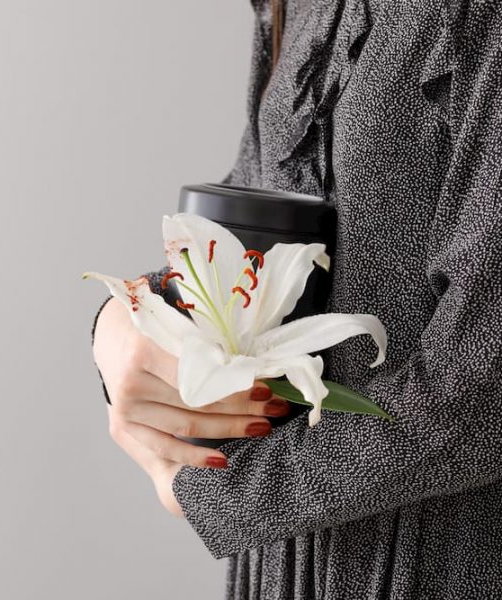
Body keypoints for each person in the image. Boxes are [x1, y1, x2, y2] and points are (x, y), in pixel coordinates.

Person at [91, 0, 502, 597]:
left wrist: (221, 489)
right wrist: (128, 318)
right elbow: (256, 216)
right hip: (281, 568)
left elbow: (484, 382)